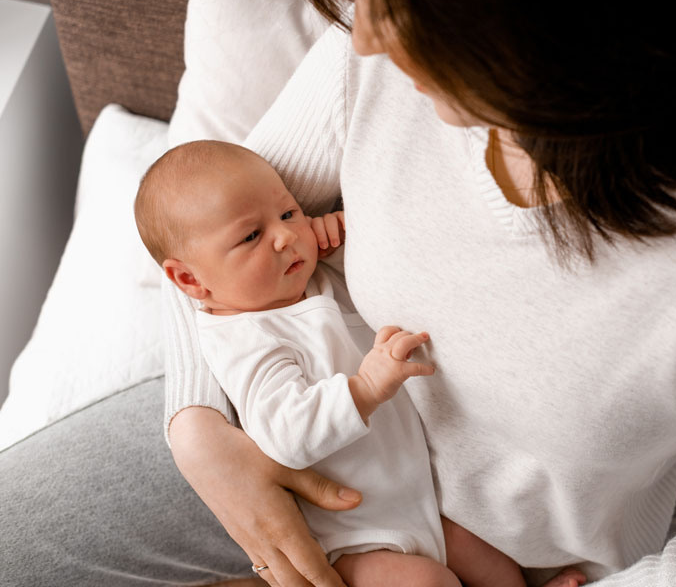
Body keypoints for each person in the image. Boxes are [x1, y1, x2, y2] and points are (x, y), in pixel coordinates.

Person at [0, 0, 676, 586]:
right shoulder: (379, 51)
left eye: (404, 4)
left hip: (505, 557)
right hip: (300, 436)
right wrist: (200, 434)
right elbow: (204, 237)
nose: (367, 33)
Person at [134, 139, 585, 587]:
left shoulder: (304, 278)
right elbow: (287, 435)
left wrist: (345, 239)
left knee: (495, 566)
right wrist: (365, 388)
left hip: (420, 504)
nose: (286, 236)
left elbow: (383, 276)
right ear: (189, 279)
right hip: (355, 538)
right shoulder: (244, 338)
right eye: (252, 236)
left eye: (289, 213)